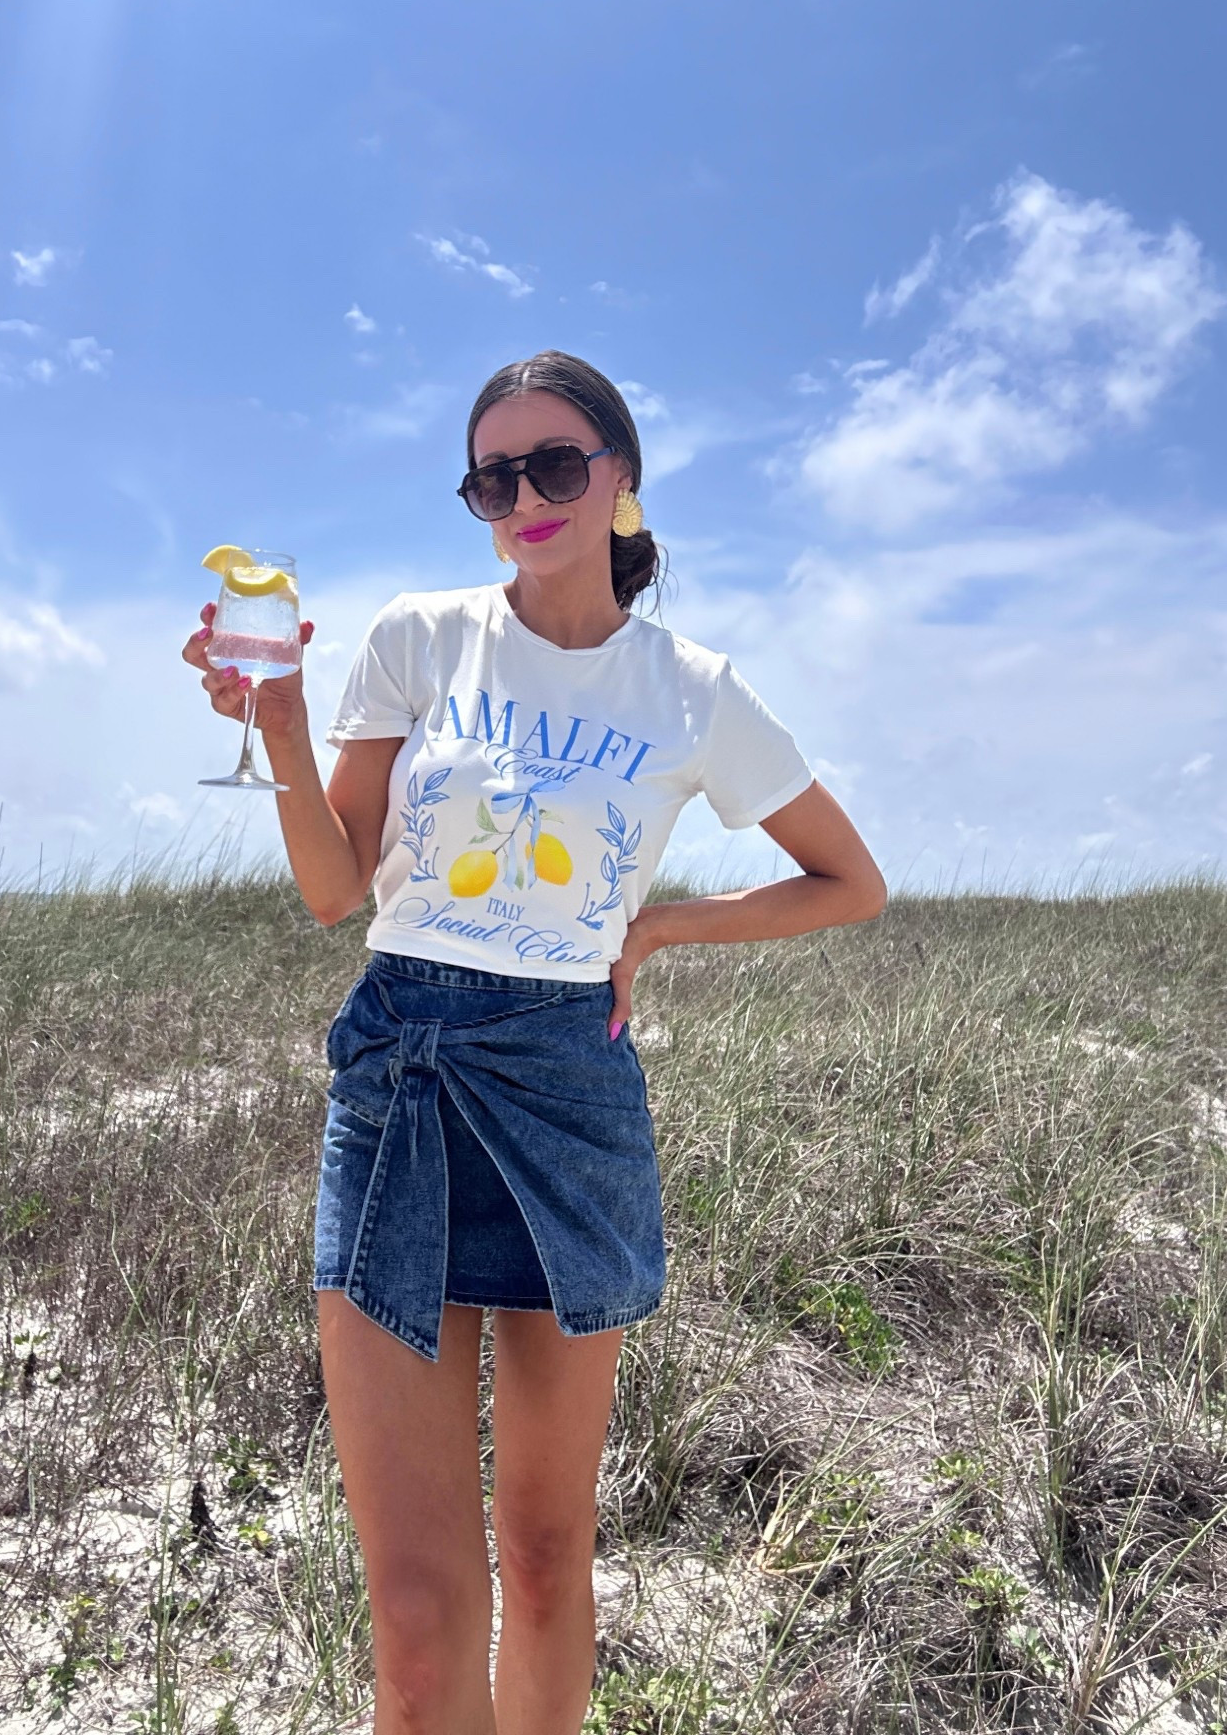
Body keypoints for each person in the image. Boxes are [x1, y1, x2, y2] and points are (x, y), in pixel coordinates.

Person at [181, 349, 886, 1735]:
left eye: (555, 464)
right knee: (417, 1613)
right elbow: (334, 890)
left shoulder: (691, 689)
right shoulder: (418, 637)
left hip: (571, 1088)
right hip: (402, 1075)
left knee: (551, 1558)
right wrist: (282, 727)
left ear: (622, 479)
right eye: (492, 480)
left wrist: (661, 928)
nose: (524, 499)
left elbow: (848, 882)